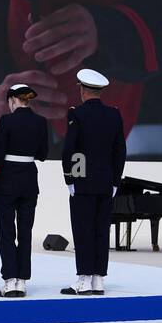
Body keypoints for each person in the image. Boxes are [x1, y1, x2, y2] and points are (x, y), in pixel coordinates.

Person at [61, 68, 126, 296]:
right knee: (101, 230)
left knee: (83, 230)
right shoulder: (114, 115)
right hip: (106, 182)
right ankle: (98, 279)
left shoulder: (77, 114)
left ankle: (84, 279)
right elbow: (119, 151)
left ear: (82, 89)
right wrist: (115, 180)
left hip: (83, 182)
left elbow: (72, 150)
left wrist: (71, 177)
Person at [0, 83, 49, 297]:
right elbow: (42, 153)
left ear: (13, 100)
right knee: (25, 232)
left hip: (7, 180)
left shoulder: (7, 120)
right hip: (29, 180)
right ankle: (22, 280)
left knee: (6, 232)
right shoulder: (40, 122)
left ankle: (10, 280)